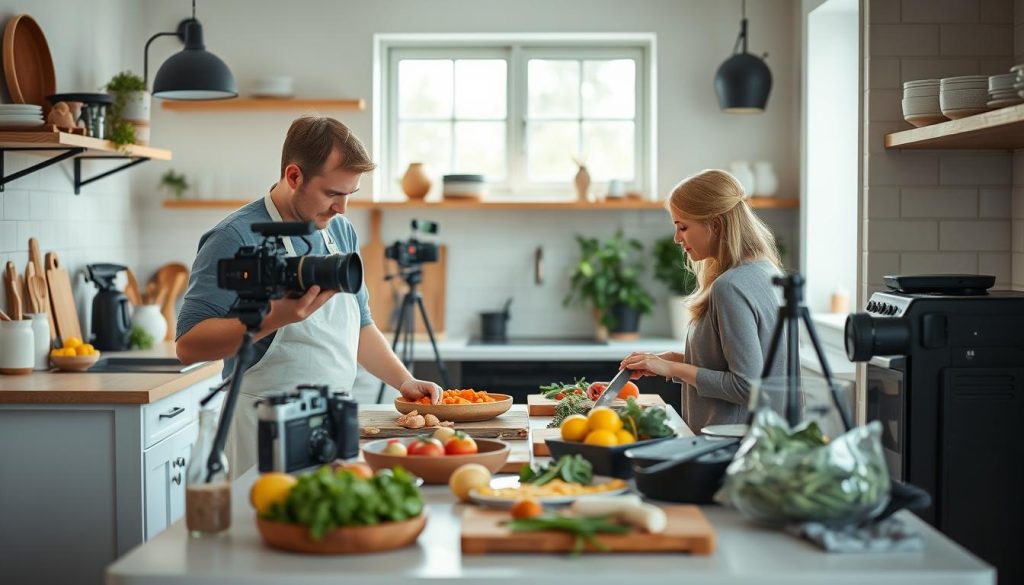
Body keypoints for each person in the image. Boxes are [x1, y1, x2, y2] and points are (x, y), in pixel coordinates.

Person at [176, 116, 441, 473]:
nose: (342, 208)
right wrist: (275, 317)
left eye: (349, 195)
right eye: (332, 193)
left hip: (332, 425)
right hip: (261, 431)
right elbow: (188, 345)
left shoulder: (340, 231)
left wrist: (404, 380)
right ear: (294, 176)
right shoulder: (234, 237)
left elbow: (360, 326)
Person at [619, 169, 784, 431]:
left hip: (729, 445)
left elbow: (746, 386)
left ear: (715, 224)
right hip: (764, 443)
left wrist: (671, 369)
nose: (677, 239)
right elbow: (732, 363)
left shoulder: (730, 287)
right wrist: (669, 361)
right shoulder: (767, 272)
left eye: (683, 227)